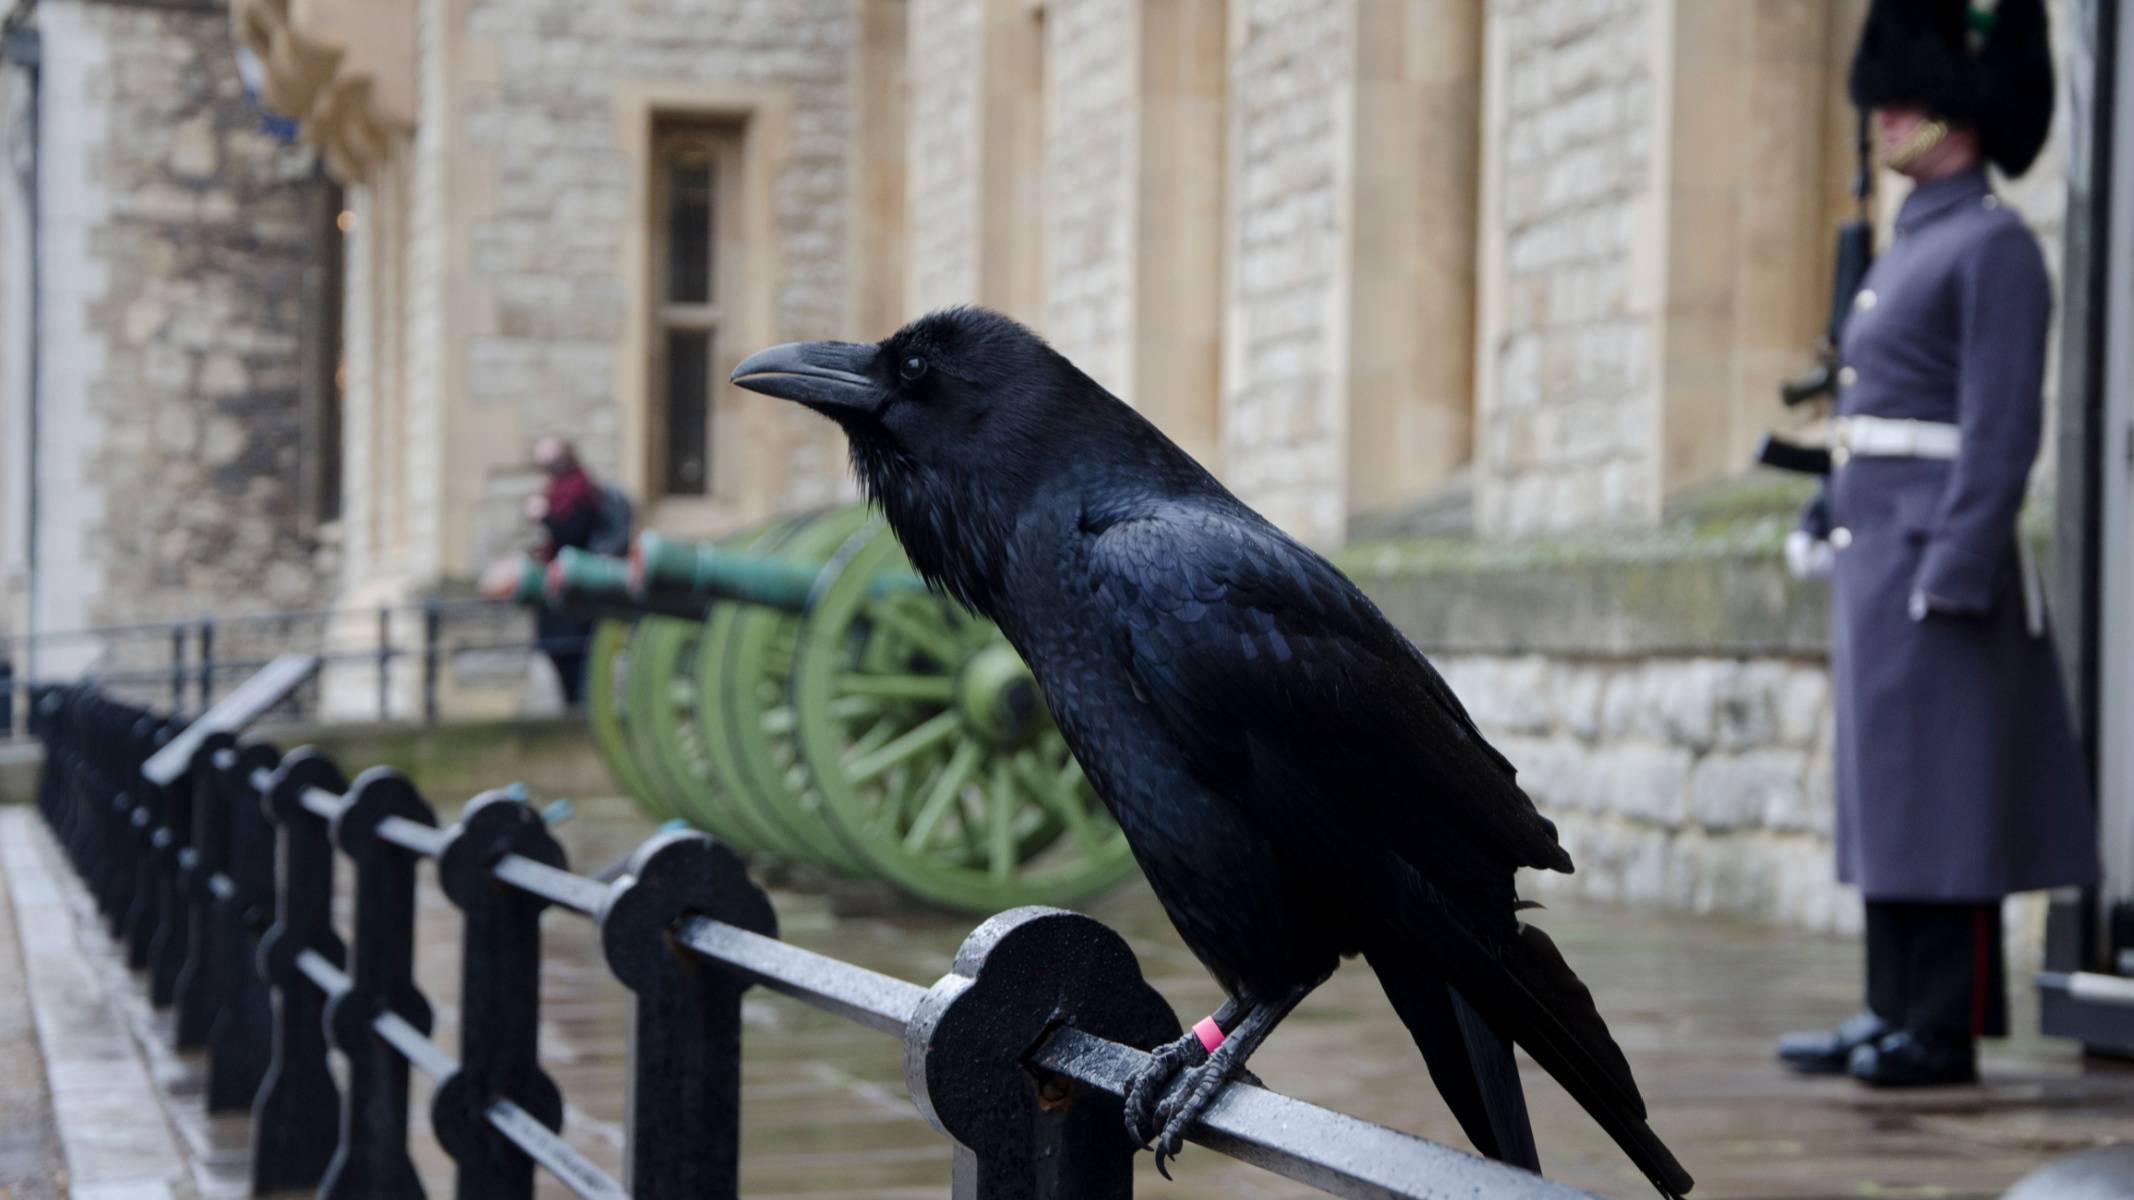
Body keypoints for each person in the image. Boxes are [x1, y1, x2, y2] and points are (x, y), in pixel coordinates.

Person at [1777, 0, 2100, 1088]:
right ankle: (1888, 1004)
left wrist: (1958, 564)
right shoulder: (1909, 244)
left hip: (1938, 562)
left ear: (1954, 115)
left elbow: (2000, 426)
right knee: (1891, 793)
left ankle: (1944, 1025)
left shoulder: (1993, 246)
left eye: (1903, 101)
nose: (1883, 118)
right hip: (1880, 556)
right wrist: (1825, 511)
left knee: (1950, 799)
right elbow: (1869, 414)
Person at [513, 437, 631, 707]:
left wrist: (545, 516)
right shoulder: (561, 491)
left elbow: (572, 535)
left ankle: (578, 708)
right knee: (564, 659)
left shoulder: (578, 491)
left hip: (575, 599)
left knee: (576, 660)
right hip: (561, 598)